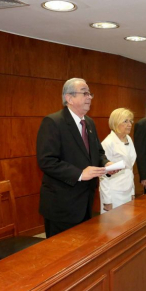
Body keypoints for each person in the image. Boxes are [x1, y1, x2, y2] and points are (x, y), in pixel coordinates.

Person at [36, 78, 115, 238]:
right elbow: (47, 161)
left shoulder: (90, 123)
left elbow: (98, 152)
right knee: (61, 255)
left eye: (90, 93)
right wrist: (79, 174)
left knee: (82, 251)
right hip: (61, 204)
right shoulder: (53, 122)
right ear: (69, 98)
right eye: (84, 93)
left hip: (85, 201)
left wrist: (107, 164)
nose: (90, 97)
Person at [99, 108, 137, 213]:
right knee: (113, 227)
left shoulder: (129, 139)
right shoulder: (108, 143)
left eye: (130, 121)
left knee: (128, 225)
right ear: (116, 122)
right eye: (125, 121)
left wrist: (132, 191)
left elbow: (130, 168)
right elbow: (103, 175)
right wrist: (107, 201)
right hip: (114, 193)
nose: (129, 124)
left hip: (128, 190)